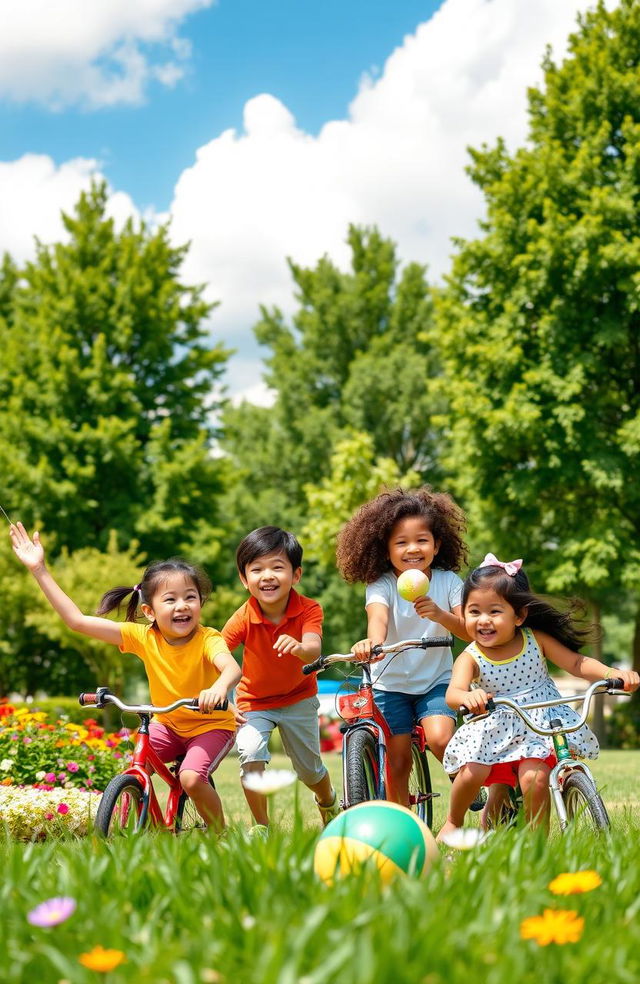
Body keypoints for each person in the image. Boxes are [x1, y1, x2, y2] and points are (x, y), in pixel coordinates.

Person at [9, 521, 240, 831]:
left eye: (190, 597)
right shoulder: (143, 637)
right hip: (168, 723)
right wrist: (40, 570)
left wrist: (218, 688)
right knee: (135, 766)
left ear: (200, 602)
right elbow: (76, 621)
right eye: (170, 600)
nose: (182, 606)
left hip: (211, 725)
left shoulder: (208, 637)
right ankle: (131, 831)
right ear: (149, 611)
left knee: (190, 778)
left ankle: (219, 836)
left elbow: (231, 668)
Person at [438, 554, 640, 840]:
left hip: (540, 722)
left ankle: (537, 845)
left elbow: (576, 663)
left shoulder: (535, 639)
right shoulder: (471, 656)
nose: (483, 621)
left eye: (494, 612)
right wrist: (468, 697)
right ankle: (453, 822)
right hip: (495, 722)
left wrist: (611, 672)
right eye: (474, 612)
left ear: (519, 615)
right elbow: (453, 693)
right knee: (473, 771)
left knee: (535, 778)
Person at [336, 486, 471, 808]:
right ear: (386, 549)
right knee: (397, 763)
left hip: (436, 681)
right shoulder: (381, 584)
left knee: (440, 738)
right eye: (401, 542)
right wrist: (372, 643)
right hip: (389, 684)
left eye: (422, 540)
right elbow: (378, 620)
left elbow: (467, 631)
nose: (413, 549)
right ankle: (405, 826)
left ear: (437, 545)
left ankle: (471, 784)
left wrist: (439, 615)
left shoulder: (448, 582)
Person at [222, 526, 340, 828]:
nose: (267, 576)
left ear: (296, 575)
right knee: (250, 753)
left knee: (310, 772)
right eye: (257, 569)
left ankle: (327, 801)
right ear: (244, 578)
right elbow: (217, 654)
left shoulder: (308, 609)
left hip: (298, 699)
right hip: (254, 702)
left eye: (278, 567)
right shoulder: (242, 617)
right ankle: (261, 825)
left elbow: (314, 650)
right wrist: (222, 696)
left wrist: (299, 647)